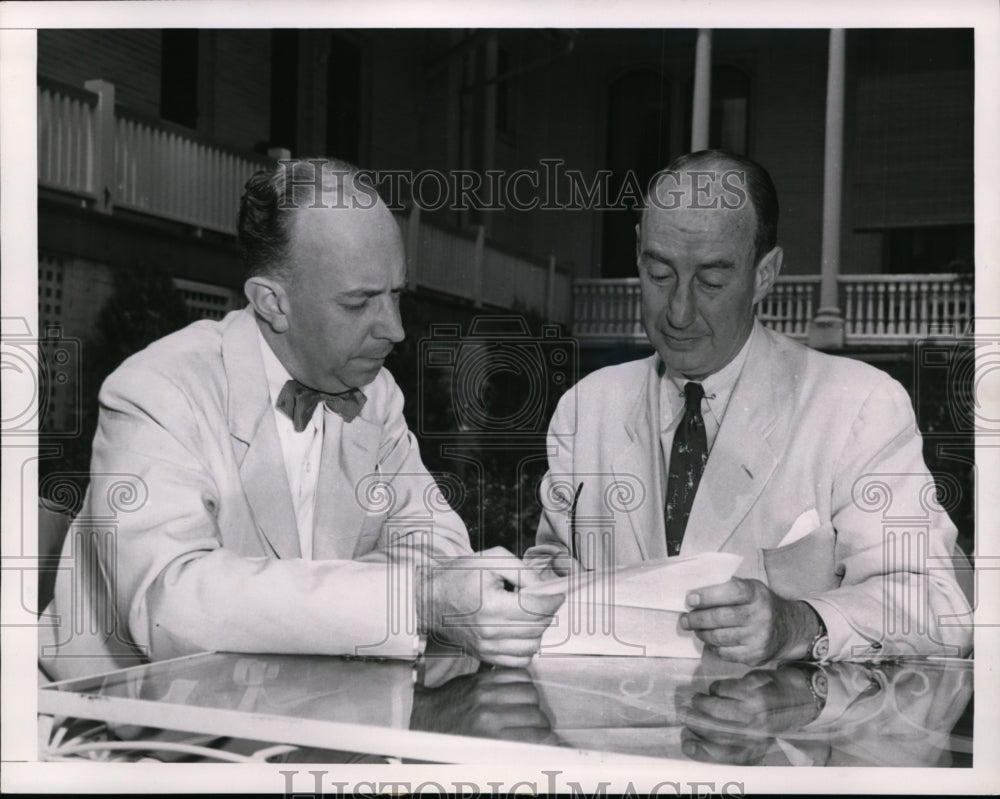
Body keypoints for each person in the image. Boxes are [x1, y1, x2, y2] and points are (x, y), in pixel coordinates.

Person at [40, 158, 562, 681]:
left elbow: (439, 548)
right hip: (118, 728)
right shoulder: (156, 390)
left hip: (297, 719)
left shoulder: (375, 396)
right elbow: (169, 608)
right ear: (272, 303)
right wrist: (411, 601)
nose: (396, 330)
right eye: (359, 303)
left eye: (396, 295)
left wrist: (297, 605)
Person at [526, 150, 972, 664]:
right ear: (638, 254)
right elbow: (550, 568)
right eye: (659, 274)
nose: (678, 311)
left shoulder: (860, 404)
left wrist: (800, 622)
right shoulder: (587, 408)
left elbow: (939, 608)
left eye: (712, 282)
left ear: (766, 274)